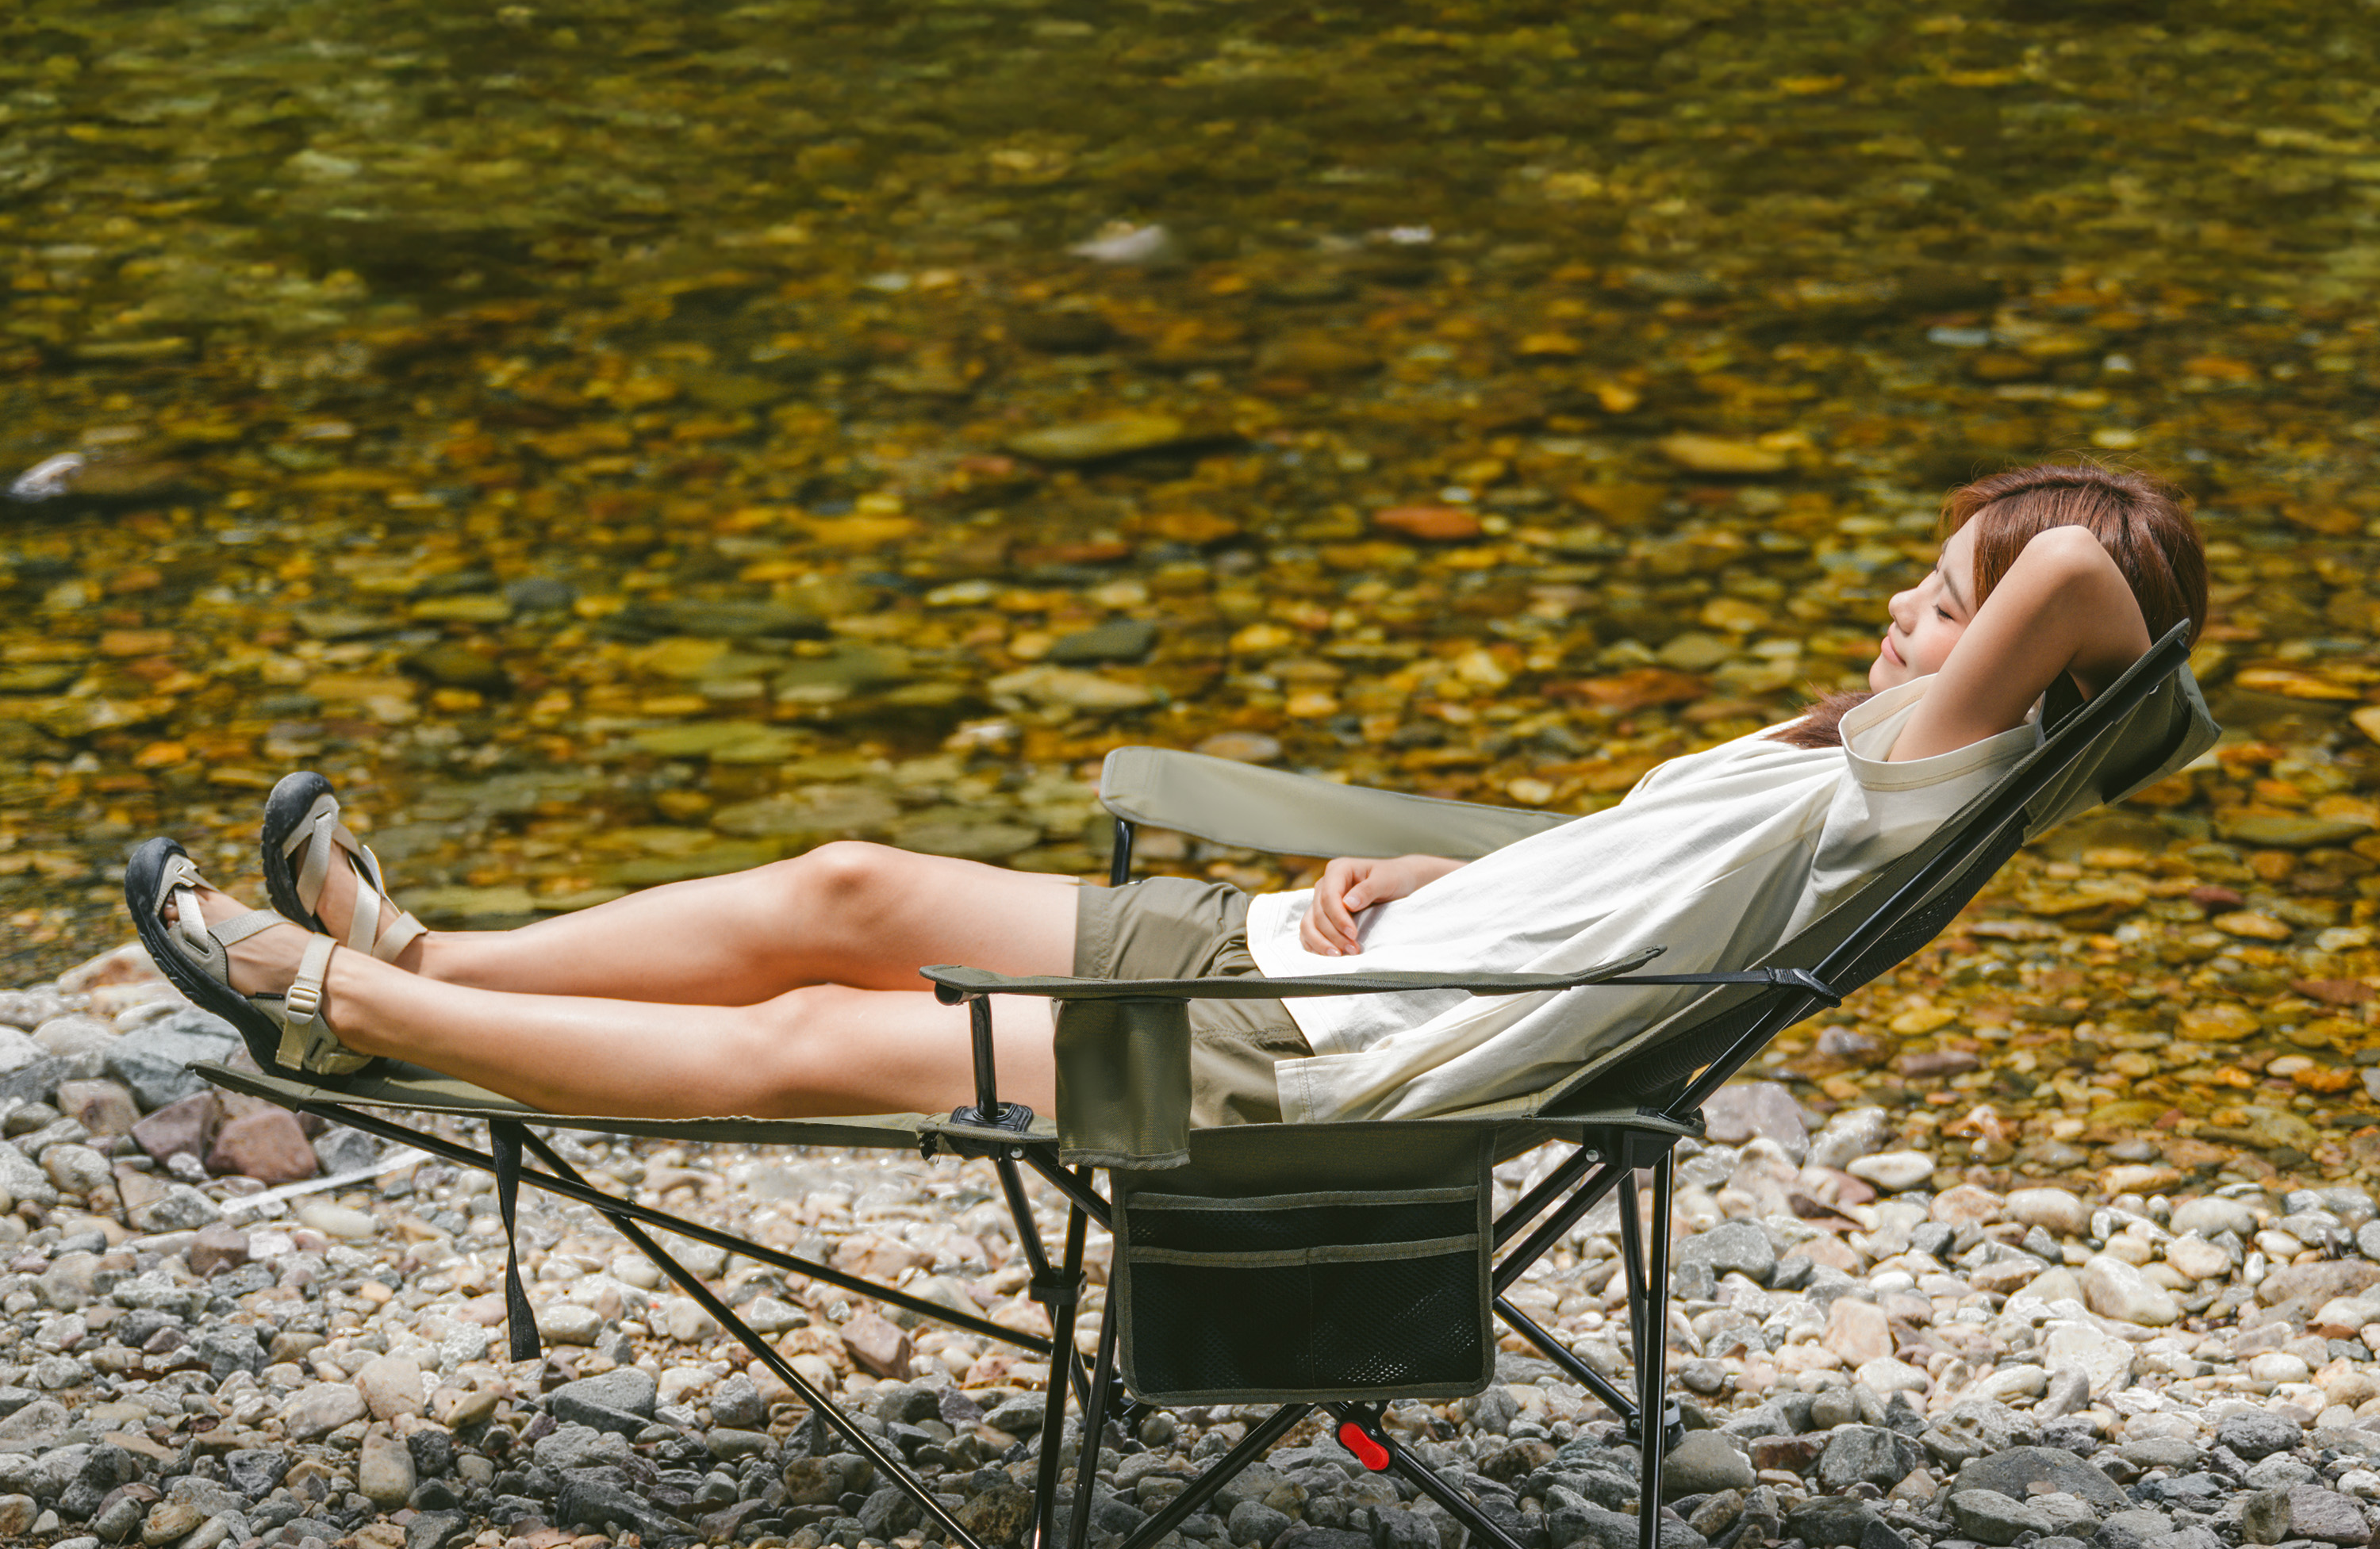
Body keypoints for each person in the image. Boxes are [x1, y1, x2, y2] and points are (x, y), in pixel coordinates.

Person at [126, 459, 2206, 1129]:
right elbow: (1628, 896)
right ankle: (438, 953)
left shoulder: (1918, 790)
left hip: (1303, 1071)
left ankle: (350, 1016)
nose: (1904, 623)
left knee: (821, 1037)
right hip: (1305, 957)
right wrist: (1447, 862)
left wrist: (2066, 660)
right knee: (850, 883)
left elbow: (2094, 579)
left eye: (1944, 610)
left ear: (2031, 690)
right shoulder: (1834, 765)